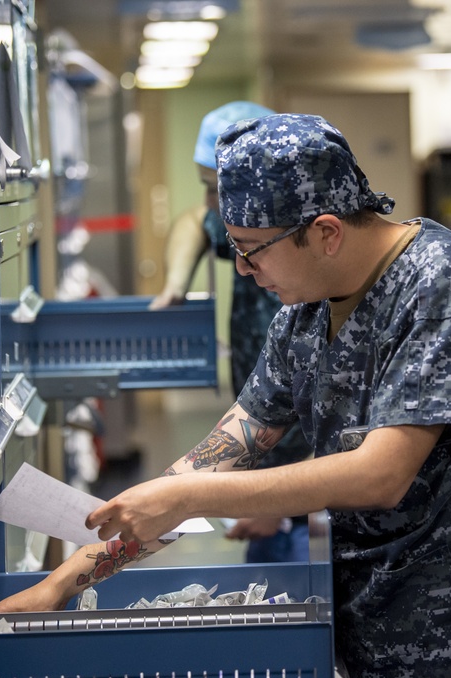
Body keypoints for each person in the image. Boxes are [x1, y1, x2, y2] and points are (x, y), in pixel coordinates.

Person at [0, 113, 451, 678]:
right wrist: (60, 584)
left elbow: (379, 474)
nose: (242, 269)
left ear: (327, 232)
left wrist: (191, 500)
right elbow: (219, 456)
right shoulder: (305, 316)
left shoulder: (446, 284)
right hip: (379, 631)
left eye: (253, 250)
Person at [150, 100, 315, 563]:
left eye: (215, 189)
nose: (208, 206)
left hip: (313, 493)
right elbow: (194, 224)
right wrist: (176, 286)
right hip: (273, 481)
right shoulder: (257, 242)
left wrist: (280, 509)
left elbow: (369, 454)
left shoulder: (321, 289)